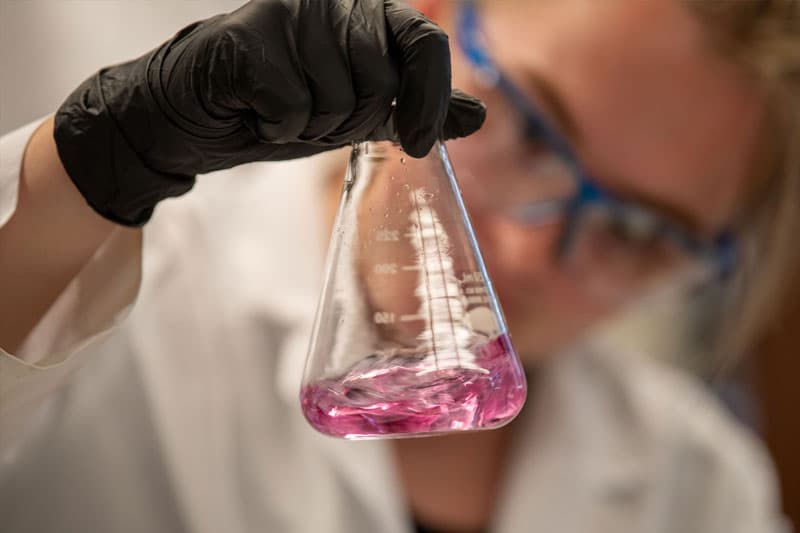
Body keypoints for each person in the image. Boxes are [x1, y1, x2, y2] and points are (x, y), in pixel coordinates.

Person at [0, 0, 795, 531]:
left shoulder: (705, 492)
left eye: (633, 230)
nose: (523, 247)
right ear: (433, 15)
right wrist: (85, 172)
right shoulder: (110, 295)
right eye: (524, 124)